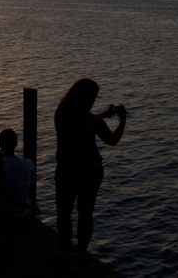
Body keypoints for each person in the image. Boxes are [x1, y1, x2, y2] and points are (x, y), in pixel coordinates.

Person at [54, 78, 126, 262]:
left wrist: (103, 115)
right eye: (92, 97)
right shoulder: (92, 121)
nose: (93, 101)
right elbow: (112, 140)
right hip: (89, 172)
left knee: (64, 214)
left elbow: (80, 122)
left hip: (66, 170)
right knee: (85, 214)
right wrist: (122, 121)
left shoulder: (60, 113)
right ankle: (81, 254)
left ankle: (63, 253)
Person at [0, 128, 36, 219]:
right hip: (24, 212)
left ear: (0, 144)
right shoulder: (28, 164)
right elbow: (31, 190)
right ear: (16, 144)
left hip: (3, 215)